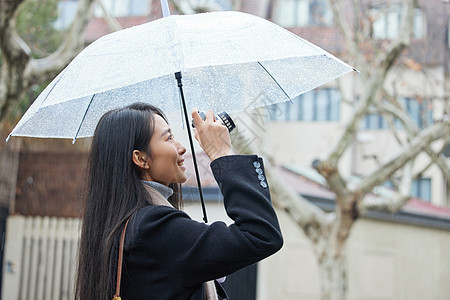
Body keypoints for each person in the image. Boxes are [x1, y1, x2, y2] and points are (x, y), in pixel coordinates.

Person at [75, 102, 283, 300]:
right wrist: (221, 153)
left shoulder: (127, 222)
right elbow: (261, 234)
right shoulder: (152, 226)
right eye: (168, 138)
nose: (181, 147)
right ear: (141, 159)